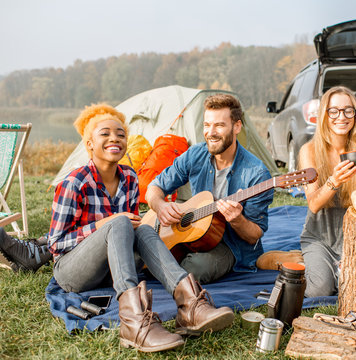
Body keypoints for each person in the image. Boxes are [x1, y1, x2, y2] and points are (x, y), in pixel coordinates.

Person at [48, 104, 234, 353]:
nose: (114, 138)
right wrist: (107, 223)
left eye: (121, 134)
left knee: (143, 229)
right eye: (105, 133)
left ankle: (189, 303)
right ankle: (133, 322)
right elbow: (55, 244)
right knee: (121, 222)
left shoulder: (129, 177)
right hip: (73, 273)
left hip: (113, 269)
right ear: (89, 143)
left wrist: (128, 225)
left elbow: (130, 232)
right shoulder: (73, 183)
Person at [146, 94, 273, 284]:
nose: (210, 132)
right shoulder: (195, 154)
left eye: (219, 125)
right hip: (192, 233)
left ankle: (163, 262)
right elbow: (154, 188)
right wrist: (160, 206)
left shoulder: (257, 174)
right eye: (207, 125)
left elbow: (254, 235)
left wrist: (237, 220)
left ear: (237, 126)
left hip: (230, 245)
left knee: (194, 270)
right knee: (137, 248)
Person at [297, 86, 356, 297]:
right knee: (319, 290)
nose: (342, 116)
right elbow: (313, 204)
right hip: (319, 236)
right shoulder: (309, 151)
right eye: (334, 111)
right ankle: (303, 262)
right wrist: (334, 181)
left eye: (349, 110)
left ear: (355, 116)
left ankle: (333, 269)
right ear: (324, 115)